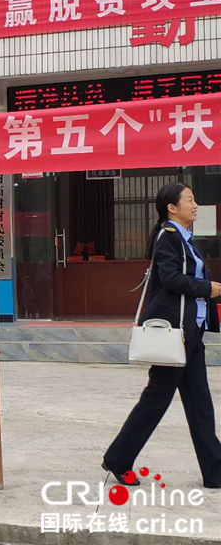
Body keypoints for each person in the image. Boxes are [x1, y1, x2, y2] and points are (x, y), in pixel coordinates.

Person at [103, 183, 221, 489]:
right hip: (175, 335)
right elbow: (170, 279)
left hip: (190, 335)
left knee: (200, 405)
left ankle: (214, 472)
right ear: (172, 207)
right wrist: (207, 288)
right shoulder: (168, 237)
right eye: (190, 200)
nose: (196, 205)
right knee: (156, 401)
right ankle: (118, 458)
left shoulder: (184, 239)